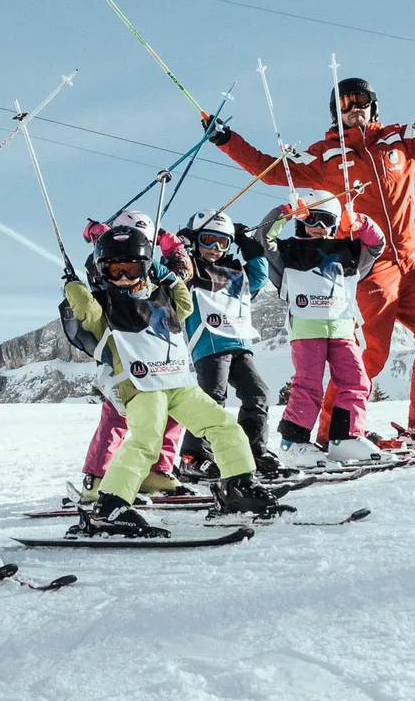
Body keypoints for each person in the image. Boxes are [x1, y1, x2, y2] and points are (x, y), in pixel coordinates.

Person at [209, 35, 415, 437]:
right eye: (345, 104)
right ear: (335, 113)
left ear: (373, 106)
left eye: (361, 102)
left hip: (408, 259)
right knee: (366, 355)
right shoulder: (323, 156)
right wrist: (226, 141)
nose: (354, 109)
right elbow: (270, 170)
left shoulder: (401, 142)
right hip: (368, 265)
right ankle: (331, 432)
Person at [61, 225, 288, 535]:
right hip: (141, 387)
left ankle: (237, 488)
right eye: (115, 270)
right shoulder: (105, 304)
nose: (124, 278)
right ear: (103, 271)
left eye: (132, 269)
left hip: (178, 383)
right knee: (145, 442)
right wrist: (73, 286)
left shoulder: (161, 295)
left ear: (145, 267)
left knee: (223, 424)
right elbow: (85, 312)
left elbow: (186, 303)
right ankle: (109, 505)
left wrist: (166, 274)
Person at [255, 195, 386, 466]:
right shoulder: (287, 252)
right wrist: (285, 212)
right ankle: (294, 442)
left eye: (327, 221)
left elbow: (377, 244)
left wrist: (360, 222)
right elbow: (263, 237)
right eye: (311, 218)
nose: (318, 226)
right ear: (301, 221)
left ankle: (345, 438)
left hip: (342, 329)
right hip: (306, 329)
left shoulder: (348, 252)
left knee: (355, 381)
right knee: (309, 384)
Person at [69, 211, 185, 501]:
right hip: (120, 350)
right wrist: (99, 238)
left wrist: (171, 247)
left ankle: (156, 471)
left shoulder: (152, 267)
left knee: (172, 410)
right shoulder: (104, 261)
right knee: (118, 414)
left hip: (157, 348)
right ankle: (97, 477)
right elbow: (96, 276)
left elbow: (182, 276)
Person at [173, 211, 278, 477]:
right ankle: (192, 457)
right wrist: (180, 247)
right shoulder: (192, 269)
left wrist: (248, 244)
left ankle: (252, 451)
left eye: (222, 243)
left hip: (240, 343)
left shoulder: (236, 273)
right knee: (211, 400)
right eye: (208, 240)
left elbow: (260, 277)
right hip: (209, 345)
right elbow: (175, 273)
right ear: (197, 241)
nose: (215, 249)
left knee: (258, 394)